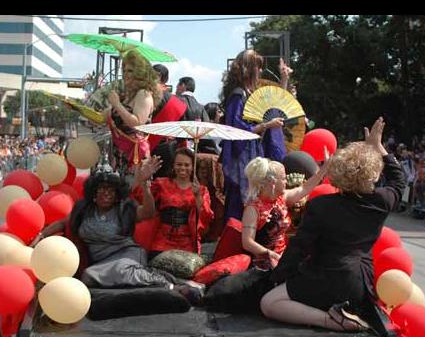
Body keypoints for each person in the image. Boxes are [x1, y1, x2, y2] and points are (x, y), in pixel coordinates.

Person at [259, 117, 406, 332]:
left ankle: (329, 320)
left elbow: (300, 247)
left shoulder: (321, 205)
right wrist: (378, 147)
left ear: (338, 173)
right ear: (374, 173)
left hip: (323, 279)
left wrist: (277, 277)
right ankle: (341, 316)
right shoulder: (381, 201)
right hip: (360, 286)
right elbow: (399, 180)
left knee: (268, 303)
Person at [31, 158, 203, 303]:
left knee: (120, 270)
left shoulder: (124, 209)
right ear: (94, 192)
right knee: (89, 276)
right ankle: (168, 279)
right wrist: (41, 235)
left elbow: (148, 212)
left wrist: (145, 186)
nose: (106, 193)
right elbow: (62, 223)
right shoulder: (83, 210)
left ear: (117, 194)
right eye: (102, 189)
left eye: (111, 190)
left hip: (127, 254)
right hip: (101, 262)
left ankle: (172, 286)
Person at [220, 50, 293, 221]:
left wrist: (284, 80)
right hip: (242, 157)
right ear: (249, 69)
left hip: (254, 152)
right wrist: (266, 125)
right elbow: (236, 130)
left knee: (254, 198)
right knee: (240, 203)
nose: (260, 71)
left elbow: (272, 109)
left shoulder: (250, 92)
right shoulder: (238, 95)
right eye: (258, 67)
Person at [241, 156, 329, 271]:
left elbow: (304, 188)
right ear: (272, 183)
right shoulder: (253, 209)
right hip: (263, 264)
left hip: (282, 257)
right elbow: (247, 242)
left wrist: (323, 169)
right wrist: (271, 254)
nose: (286, 182)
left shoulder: (282, 198)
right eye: (283, 179)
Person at [132, 147, 214, 256]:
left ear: (193, 167)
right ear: (173, 166)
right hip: (162, 240)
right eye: (179, 164)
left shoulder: (202, 190)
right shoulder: (161, 184)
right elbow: (140, 197)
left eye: (187, 165)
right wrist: (143, 179)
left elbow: (206, 218)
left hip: (187, 242)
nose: (183, 168)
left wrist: (198, 196)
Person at [105, 50, 162, 170]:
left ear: (140, 73)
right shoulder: (128, 95)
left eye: (130, 71)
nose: (125, 74)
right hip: (119, 155)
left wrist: (117, 104)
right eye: (124, 70)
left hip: (135, 157)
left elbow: (137, 123)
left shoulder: (144, 94)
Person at [149, 64, 188, 178]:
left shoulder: (144, 97)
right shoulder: (176, 102)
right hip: (169, 150)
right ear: (166, 79)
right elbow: (182, 134)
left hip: (146, 149)